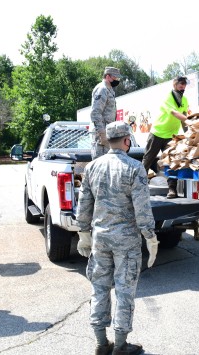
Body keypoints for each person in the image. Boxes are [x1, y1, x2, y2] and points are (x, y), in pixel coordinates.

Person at [76, 121, 158, 355]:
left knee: (99, 289)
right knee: (124, 291)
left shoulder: (92, 167)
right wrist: (151, 238)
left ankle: (101, 344)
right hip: (127, 242)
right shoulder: (135, 167)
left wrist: (83, 233)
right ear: (126, 141)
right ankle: (120, 345)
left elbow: (84, 205)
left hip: (100, 239)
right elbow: (142, 209)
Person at [142, 76, 188, 199]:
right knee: (148, 159)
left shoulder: (184, 100)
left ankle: (172, 190)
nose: (182, 86)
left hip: (170, 136)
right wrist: (191, 120)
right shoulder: (168, 97)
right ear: (174, 84)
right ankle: (140, 187)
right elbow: (175, 113)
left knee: (173, 161)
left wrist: (189, 134)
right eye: (180, 84)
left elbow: (184, 120)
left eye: (184, 84)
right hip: (157, 133)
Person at [90, 66, 122, 159]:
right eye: (115, 77)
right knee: (99, 163)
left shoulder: (109, 89)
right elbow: (95, 112)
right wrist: (102, 133)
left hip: (107, 132)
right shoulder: (102, 89)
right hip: (100, 134)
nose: (117, 80)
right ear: (108, 77)